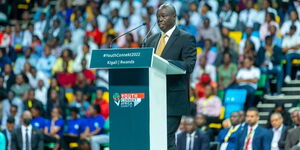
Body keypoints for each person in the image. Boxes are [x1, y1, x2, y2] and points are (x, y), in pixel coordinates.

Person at [144, 4, 196, 150]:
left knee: (166, 138)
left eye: (164, 16)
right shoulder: (150, 40)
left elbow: (189, 65)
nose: (160, 19)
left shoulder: (186, 38)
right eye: (158, 17)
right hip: (153, 98)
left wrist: (166, 64)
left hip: (172, 99)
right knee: (155, 139)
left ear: (174, 17)